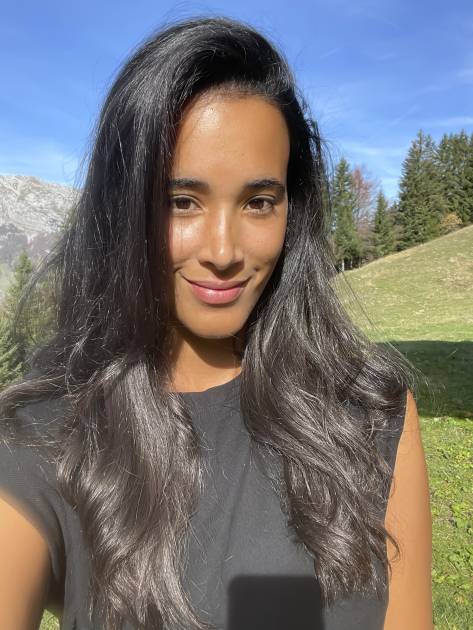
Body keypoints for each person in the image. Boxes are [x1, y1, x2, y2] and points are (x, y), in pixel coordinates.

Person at [0, 14, 432, 630]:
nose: (224, 251)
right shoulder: (41, 436)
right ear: (123, 209)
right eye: (182, 201)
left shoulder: (371, 412)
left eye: (259, 202)